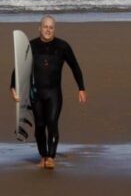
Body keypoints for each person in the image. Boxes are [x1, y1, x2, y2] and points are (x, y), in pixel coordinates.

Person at [10, 15, 87, 169]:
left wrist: (81, 88)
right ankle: (43, 156)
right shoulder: (30, 46)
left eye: (51, 27)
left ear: (54, 29)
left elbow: (75, 66)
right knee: (39, 125)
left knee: (52, 123)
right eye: (45, 26)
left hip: (54, 94)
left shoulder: (62, 46)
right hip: (36, 93)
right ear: (39, 28)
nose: (48, 30)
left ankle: (51, 157)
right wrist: (12, 87)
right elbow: (18, 69)